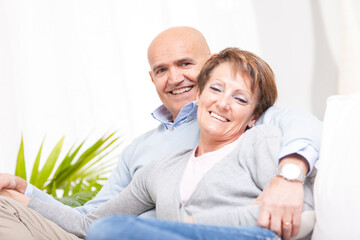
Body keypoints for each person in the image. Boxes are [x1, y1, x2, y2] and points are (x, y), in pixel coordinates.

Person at [0, 26, 321, 239]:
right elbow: (89, 222)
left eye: (239, 99)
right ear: (202, 92)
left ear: (254, 114)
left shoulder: (263, 135)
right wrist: (22, 191)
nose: (224, 104)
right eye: (162, 70)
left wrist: (289, 175)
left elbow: (301, 217)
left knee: (114, 230)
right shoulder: (156, 165)